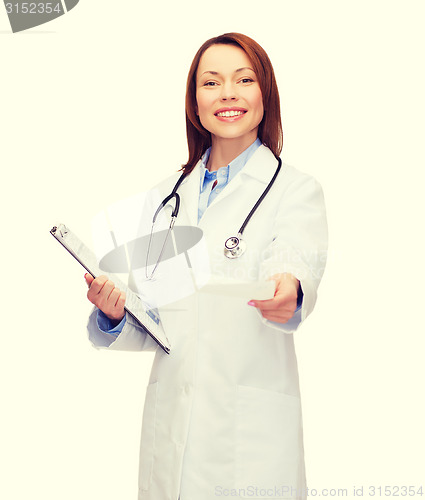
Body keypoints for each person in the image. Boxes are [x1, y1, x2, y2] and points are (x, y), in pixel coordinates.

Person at [85, 33, 328, 500]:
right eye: (211, 82)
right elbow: (155, 322)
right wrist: (115, 314)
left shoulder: (294, 191)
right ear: (195, 103)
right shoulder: (164, 198)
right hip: (171, 429)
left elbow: (295, 258)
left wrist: (289, 291)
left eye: (244, 79)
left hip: (249, 438)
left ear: (265, 94)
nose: (228, 94)